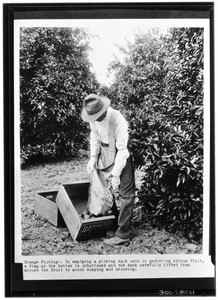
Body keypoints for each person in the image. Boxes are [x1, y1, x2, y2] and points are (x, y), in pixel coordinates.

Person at [81, 93, 135, 246]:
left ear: (104, 109)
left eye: (98, 116)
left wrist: (116, 174)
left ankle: (123, 233)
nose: (95, 120)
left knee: (125, 194)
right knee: (107, 191)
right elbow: (95, 135)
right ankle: (114, 225)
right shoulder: (93, 118)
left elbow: (123, 150)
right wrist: (93, 157)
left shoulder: (118, 119)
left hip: (120, 154)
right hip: (105, 153)